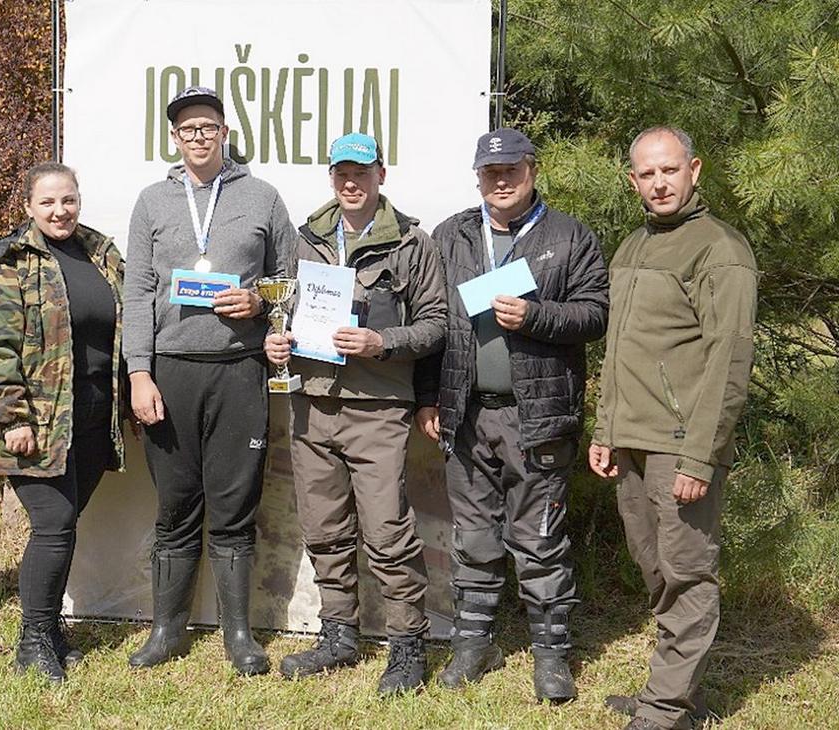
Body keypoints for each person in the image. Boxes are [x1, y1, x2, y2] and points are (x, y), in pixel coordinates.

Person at [416, 128, 608, 700]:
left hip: (538, 416)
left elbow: (595, 314)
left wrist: (536, 315)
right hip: (466, 415)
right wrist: (430, 397)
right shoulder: (450, 235)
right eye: (490, 171)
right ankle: (474, 644)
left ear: (532, 170)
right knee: (473, 538)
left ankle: (551, 656)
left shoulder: (568, 235)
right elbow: (432, 323)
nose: (501, 180)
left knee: (541, 539)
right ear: (478, 176)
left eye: (512, 169)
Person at [264, 133, 447, 695]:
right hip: (312, 401)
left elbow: (437, 324)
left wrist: (380, 341)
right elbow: (283, 308)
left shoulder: (412, 243)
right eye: (342, 172)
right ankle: (339, 634)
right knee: (323, 526)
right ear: (331, 177)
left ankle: (407, 645)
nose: (351, 182)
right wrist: (277, 342)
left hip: (377, 408)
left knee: (388, 529)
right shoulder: (304, 239)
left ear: (381, 176)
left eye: (361, 172)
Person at [589, 127, 757, 730]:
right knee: (656, 570)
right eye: (646, 174)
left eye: (669, 170)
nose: (658, 183)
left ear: (694, 170)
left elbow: (728, 361)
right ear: (632, 180)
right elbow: (618, 352)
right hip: (631, 443)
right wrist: (605, 430)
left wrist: (699, 457)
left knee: (687, 574)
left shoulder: (720, 250)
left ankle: (665, 710)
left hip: (680, 447)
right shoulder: (633, 246)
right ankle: (676, 692)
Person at [124, 86, 295, 676]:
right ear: (174, 138)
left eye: (208, 127)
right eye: (187, 129)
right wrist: (139, 372)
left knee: (234, 505)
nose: (198, 136)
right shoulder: (152, 201)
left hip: (239, 372)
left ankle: (239, 635)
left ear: (225, 133)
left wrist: (259, 303)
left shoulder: (263, 197)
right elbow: (139, 292)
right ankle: (166, 630)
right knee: (175, 504)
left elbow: (288, 281)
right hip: (170, 373)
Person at [0, 162, 126, 684]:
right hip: (36, 421)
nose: (60, 211)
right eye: (49, 202)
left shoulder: (102, 254)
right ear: (28, 207)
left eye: (69, 200)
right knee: (53, 527)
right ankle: (33, 641)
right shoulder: (9, 263)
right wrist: (11, 416)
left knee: (63, 526)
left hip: (94, 416)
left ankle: (51, 630)